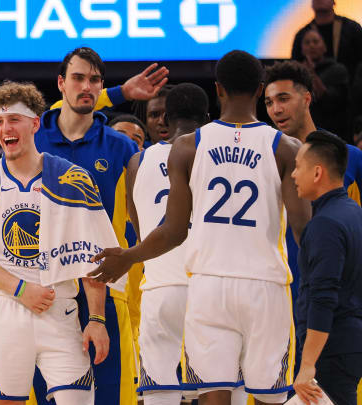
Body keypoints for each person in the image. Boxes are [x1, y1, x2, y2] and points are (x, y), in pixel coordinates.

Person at [90, 50, 312, 405]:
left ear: (218, 89)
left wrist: (129, 256)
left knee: (213, 394)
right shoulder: (285, 148)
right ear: (260, 90)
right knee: (271, 397)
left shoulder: (187, 147)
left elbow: (174, 230)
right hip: (264, 286)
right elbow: (304, 230)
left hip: (207, 287)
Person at [34, 46, 168, 405]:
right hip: (45, 285)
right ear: (61, 83)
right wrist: (122, 92)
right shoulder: (35, 136)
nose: (87, 87)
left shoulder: (122, 147)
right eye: (78, 78)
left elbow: (141, 217)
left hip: (107, 283)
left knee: (111, 395)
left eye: (95, 80)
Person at [0, 80, 109, 405]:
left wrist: (98, 318)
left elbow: (92, 254)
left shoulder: (71, 176)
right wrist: (21, 289)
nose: (6, 128)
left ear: (34, 123)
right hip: (5, 309)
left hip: (60, 310)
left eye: (13, 119)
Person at [126, 83, 208, 405]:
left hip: (159, 289)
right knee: (217, 391)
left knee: (160, 394)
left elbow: (140, 226)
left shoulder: (137, 162)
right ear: (207, 116)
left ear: (167, 117)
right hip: (206, 286)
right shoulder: (213, 153)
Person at [291, 130, 362, 405]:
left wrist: (308, 364)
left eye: (298, 167)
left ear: (317, 172)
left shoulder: (325, 224)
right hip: (347, 346)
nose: (294, 174)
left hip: (330, 353)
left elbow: (323, 297)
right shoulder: (354, 212)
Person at [264, 60, 362, 206]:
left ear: (306, 99)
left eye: (283, 99)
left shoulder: (350, 157)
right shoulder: (263, 160)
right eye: (269, 103)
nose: (276, 110)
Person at [291, 0, 362, 86]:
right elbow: (294, 67)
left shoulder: (353, 29)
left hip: (349, 91)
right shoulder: (302, 35)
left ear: (334, 2)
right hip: (313, 93)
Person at [300, 28, 350, 140]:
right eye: (307, 42)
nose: (311, 45)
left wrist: (311, 73)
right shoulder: (296, 72)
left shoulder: (337, 70)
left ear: (324, 47)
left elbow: (330, 100)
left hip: (333, 132)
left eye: (316, 41)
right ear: (302, 49)